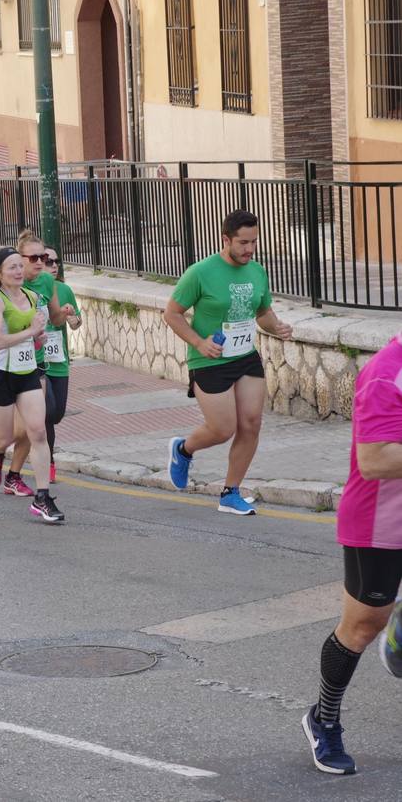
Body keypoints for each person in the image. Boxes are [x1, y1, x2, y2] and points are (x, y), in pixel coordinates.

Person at [300, 330, 402, 776]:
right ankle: (323, 718)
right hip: (380, 523)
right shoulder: (386, 374)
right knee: (362, 627)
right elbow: (374, 459)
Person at [164, 209, 293, 515]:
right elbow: (172, 313)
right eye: (243, 243)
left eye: (254, 242)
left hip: (245, 356)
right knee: (223, 429)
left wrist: (277, 326)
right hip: (210, 360)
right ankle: (183, 449)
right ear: (226, 240)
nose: (249, 249)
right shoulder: (200, 272)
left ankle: (230, 492)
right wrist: (199, 342)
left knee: (251, 423)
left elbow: (262, 312)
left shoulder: (257, 271)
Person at [0, 230, 72, 496]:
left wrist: (65, 317)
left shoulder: (43, 287)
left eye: (46, 258)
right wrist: (4, 326)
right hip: (2, 367)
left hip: (34, 364)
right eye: (35, 258)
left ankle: (30, 487)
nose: (42, 263)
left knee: (38, 426)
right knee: (10, 433)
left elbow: (53, 320)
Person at [41, 248, 81, 483]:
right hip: (38, 363)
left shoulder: (64, 290)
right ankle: (49, 462)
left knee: (56, 413)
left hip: (59, 361)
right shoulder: (32, 289)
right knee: (47, 413)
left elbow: (75, 323)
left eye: (57, 261)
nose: (54, 265)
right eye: (48, 261)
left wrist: (74, 319)